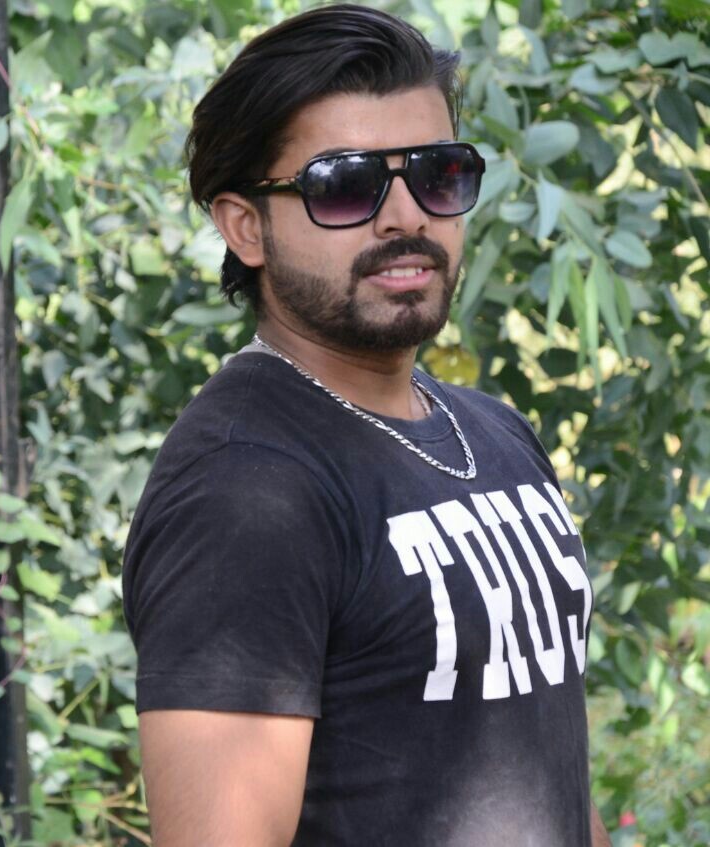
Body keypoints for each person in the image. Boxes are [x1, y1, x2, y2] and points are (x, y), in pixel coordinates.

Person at [121, 6, 612, 845]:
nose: (406, 216)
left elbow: (551, 783)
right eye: (345, 185)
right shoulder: (241, 491)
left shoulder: (494, 433)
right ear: (246, 227)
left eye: (438, 174)